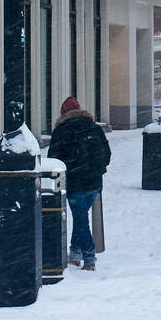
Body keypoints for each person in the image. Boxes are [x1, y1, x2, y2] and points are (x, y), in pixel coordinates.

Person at [47, 96, 111, 270]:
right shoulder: (94, 128)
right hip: (94, 183)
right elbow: (106, 154)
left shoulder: (61, 131)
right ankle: (75, 253)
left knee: (81, 219)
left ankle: (89, 258)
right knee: (80, 218)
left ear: (63, 113)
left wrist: (58, 183)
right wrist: (97, 170)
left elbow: (54, 160)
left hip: (74, 183)